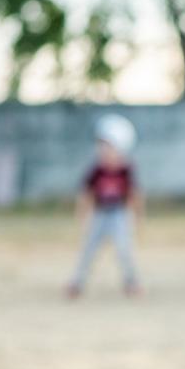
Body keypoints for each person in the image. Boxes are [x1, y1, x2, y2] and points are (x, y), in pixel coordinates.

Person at [66, 114, 143, 298]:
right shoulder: (96, 170)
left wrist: (137, 217)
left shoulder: (126, 170)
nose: (103, 151)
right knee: (88, 250)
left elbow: (135, 195)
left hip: (119, 214)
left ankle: (131, 283)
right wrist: (83, 217)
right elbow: (86, 195)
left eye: (108, 146)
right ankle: (77, 282)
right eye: (101, 146)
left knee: (124, 250)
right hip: (100, 214)